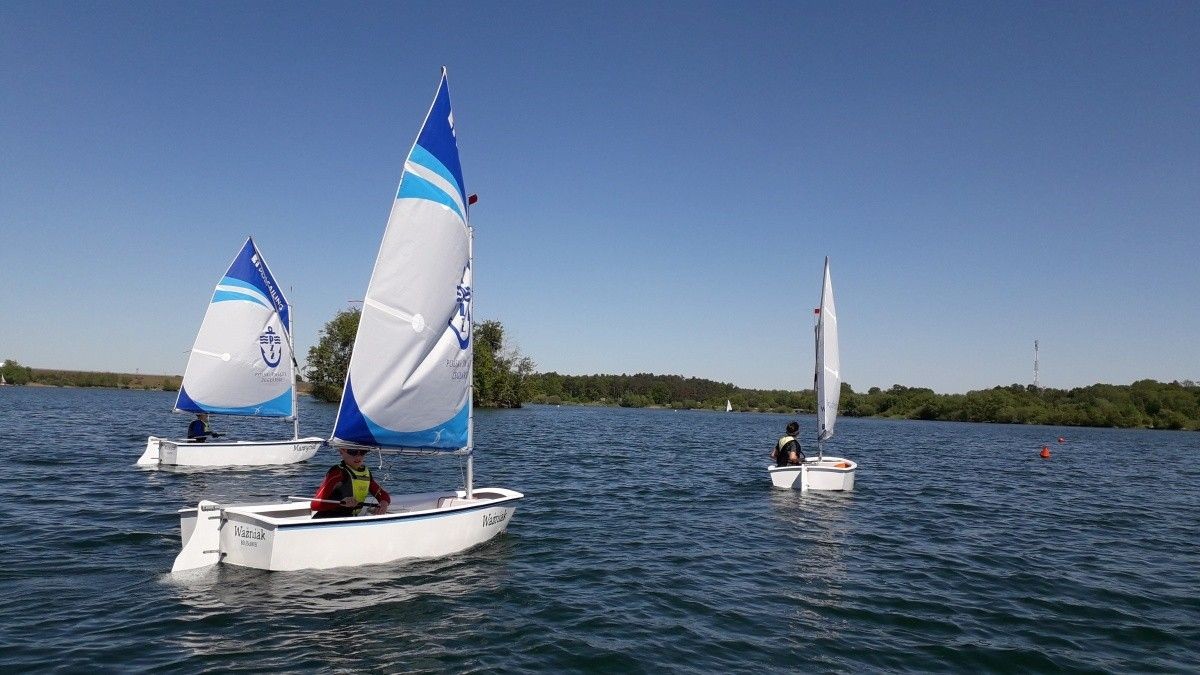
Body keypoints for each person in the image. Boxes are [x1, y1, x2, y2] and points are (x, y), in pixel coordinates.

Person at [311, 446, 391, 518]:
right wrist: (341, 502)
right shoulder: (337, 473)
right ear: (341, 451)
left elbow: (382, 494)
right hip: (327, 520)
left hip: (349, 519)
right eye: (353, 452)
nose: (358, 456)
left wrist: (384, 503)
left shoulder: (365, 473)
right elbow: (315, 505)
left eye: (363, 452)